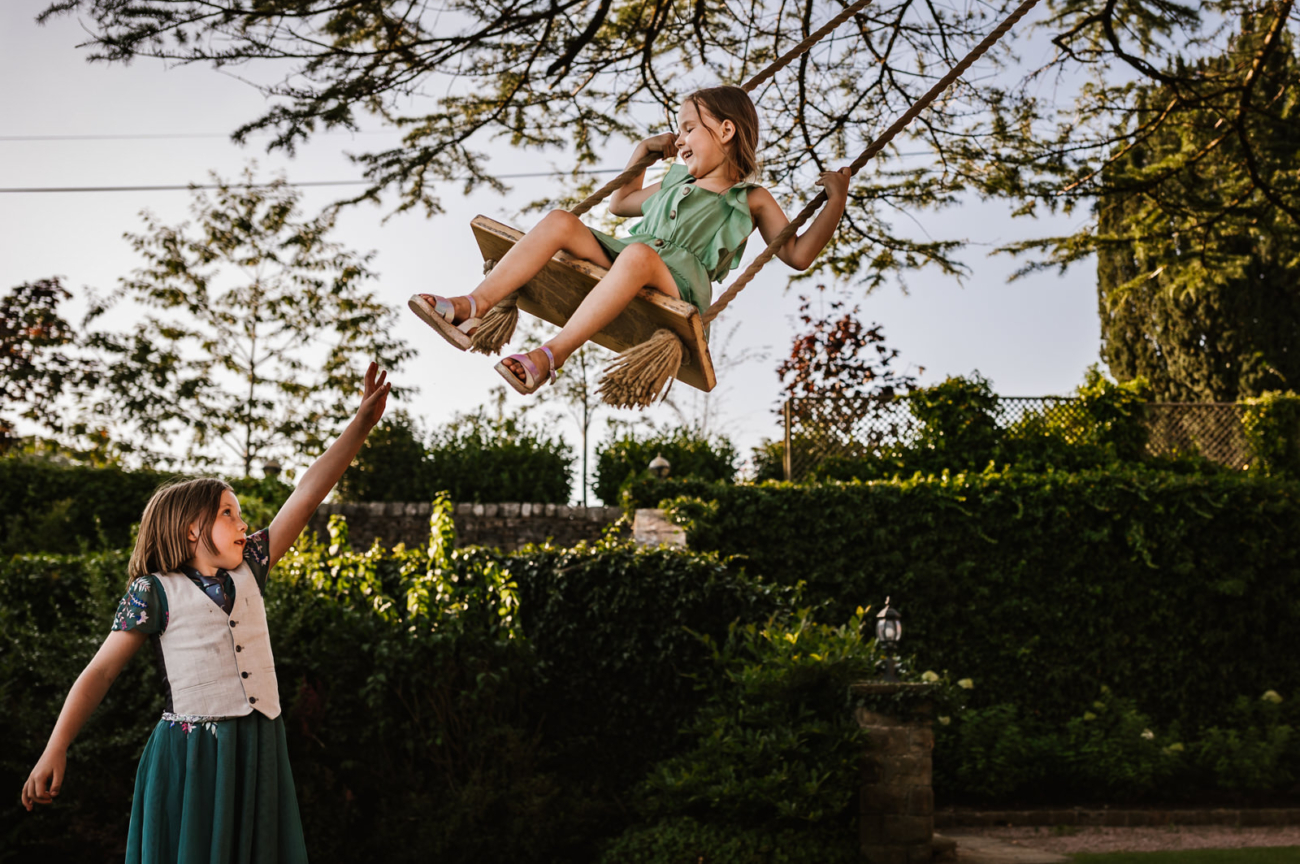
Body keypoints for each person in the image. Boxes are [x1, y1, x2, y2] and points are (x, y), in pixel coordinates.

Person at [20, 362, 392, 864]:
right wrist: (55, 747)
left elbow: (306, 495)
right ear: (192, 530)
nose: (244, 523)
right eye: (228, 514)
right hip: (193, 758)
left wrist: (360, 425)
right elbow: (101, 671)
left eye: (239, 514)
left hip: (258, 748)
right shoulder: (153, 591)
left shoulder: (252, 566)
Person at [409, 85, 851, 394]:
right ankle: (471, 307)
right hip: (631, 259)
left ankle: (549, 357)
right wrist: (642, 153)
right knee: (563, 220)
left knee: (639, 254)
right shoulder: (676, 182)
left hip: (677, 280)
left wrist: (835, 202)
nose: (679, 141)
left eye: (688, 129)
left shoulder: (750, 198)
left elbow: (797, 254)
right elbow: (620, 204)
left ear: (726, 131)